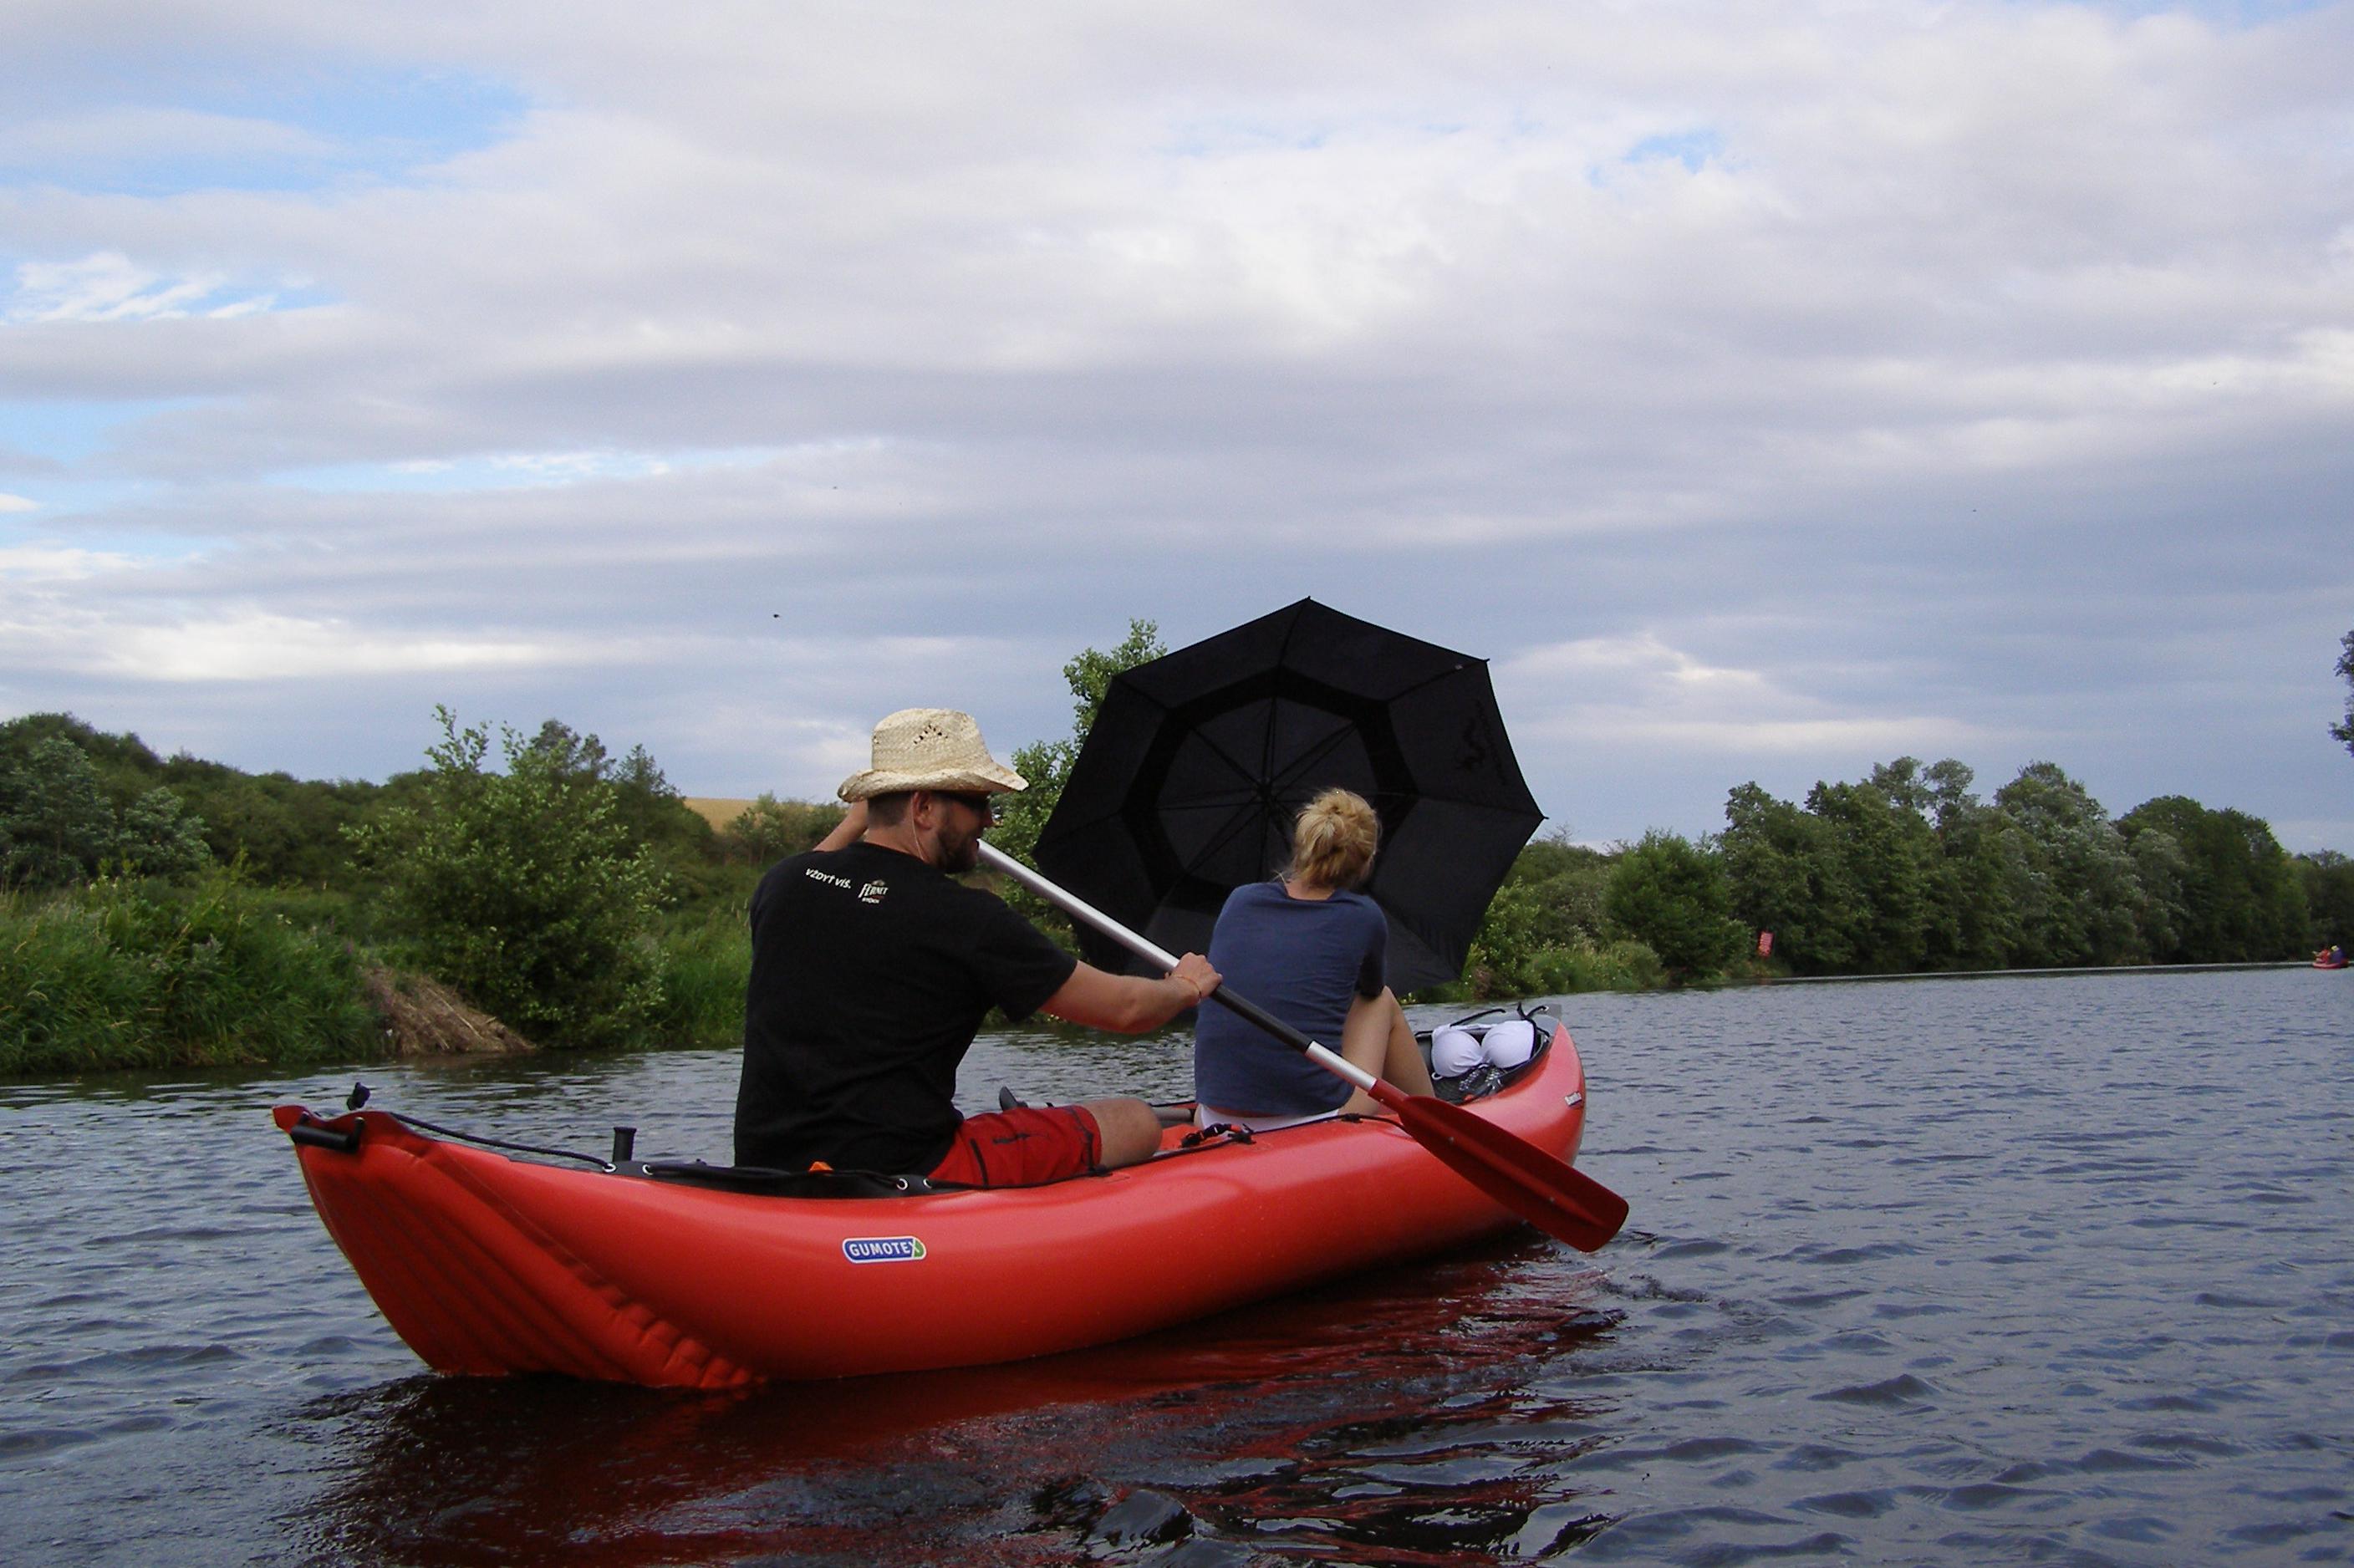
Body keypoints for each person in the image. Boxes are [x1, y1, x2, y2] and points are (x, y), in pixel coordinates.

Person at [735, 708, 1220, 1185]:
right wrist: (1185, 987)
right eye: (978, 802)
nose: (989, 820)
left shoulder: (783, 884)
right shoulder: (968, 920)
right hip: (908, 1168)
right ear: (923, 808)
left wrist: (873, 807)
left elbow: (815, 867)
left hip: (768, 1165)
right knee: (1135, 1120)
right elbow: (1127, 1010)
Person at [1191, 788, 1436, 1130]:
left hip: (1214, 1115)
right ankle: (1437, 1119)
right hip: (1314, 1116)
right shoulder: (1364, 916)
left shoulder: (1240, 899)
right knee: (1381, 1002)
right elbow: (1370, 989)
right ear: (1365, 860)